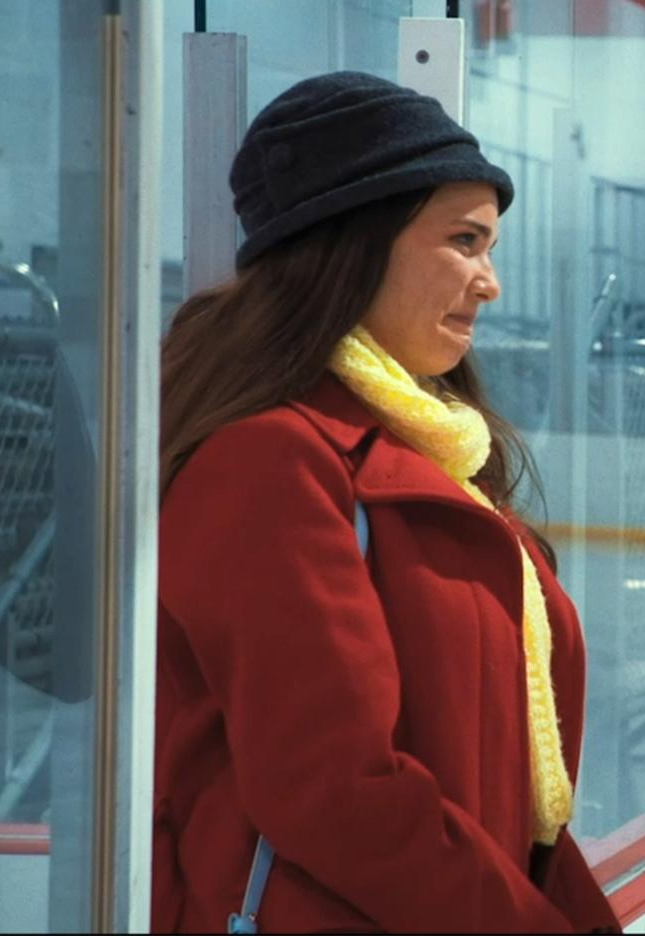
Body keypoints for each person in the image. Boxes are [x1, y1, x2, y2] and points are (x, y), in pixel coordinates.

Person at [152, 72, 619, 934]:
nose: (489, 283)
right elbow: (333, 787)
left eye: (490, 247)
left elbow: (514, 794)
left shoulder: (436, 455)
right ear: (356, 243)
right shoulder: (269, 462)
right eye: (465, 241)